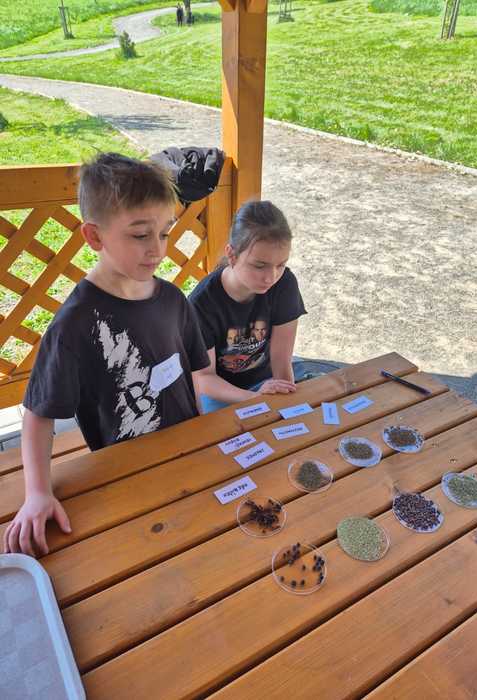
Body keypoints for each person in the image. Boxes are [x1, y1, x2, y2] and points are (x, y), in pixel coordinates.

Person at [3, 152, 211, 557]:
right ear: (95, 238)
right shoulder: (74, 325)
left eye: (165, 233)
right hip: (125, 477)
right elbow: (39, 415)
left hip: (188, 457)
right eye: (140, 235)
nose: (157, 250)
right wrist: (38, 492)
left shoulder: (173, 300)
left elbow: (195, 376)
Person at [190, 200, 307, 413]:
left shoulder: (284, 284)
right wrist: (255, 399)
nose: (271, 277)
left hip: (267, 382)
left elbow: (281, 360)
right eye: (259, 265)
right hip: (221, 391)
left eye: (281, 264)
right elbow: (204, 377)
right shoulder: (201, 304)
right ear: (232, 255)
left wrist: (287, 404)